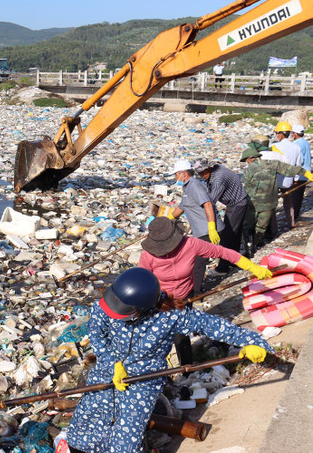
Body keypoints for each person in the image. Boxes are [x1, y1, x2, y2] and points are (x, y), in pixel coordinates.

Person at [65, 267, 271, 453]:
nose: (114, 314)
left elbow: (214, 325)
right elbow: (96, 331)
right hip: (107, 373)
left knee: (126, 438)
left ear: (141, 309)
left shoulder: (172, 316)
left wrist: (252, 341)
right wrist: (112, 362)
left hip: (143, 381)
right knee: (85, 426)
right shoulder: (111, 302)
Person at [139, 217, 271, 365]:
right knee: (158, 336)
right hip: (160, 300)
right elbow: (141, 280)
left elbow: (224, 253)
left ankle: (186, 369)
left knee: (180, 335)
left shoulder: (190, 244)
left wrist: (253, 267)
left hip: (184, 296)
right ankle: (159, 368)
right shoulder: (148, 254)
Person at [240, 144, 313, 256]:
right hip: (268, 203)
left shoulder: (247, 170)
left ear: (251, 158)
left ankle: (249, 248)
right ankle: (254, 243)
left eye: (246, 160)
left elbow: (243, 187)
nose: (247, 162)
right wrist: (305, 173)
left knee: (248, 225)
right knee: (261, 226)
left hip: (252, 203)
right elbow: (290, 169)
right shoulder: (272, 164)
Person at [168, 159, 224, 293]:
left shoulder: (194, 185)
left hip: (207, 231)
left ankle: (196, 294)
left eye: (176, 174)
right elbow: (182, 206)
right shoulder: (187, 186)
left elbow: (208, 204)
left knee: (198, 263)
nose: (175, 178)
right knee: (195, 261)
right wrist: (168, 219)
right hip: (201, 231)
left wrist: (211, 227)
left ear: (183, 174)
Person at [193, 159, 249, 271]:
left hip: (237, 203)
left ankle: (223, 267)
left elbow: (211, 201)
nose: (201, 175)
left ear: (209, 168)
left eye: (203, 172)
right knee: (234, 232)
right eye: (199, 173)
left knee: (228, 234)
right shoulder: (215, 171)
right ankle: (234, 261)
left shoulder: (218, 179)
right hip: (235, 202)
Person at [271, 121, 303, 229]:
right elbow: (298, 166)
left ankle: (273, 229)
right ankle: (291, 223)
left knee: (272, 206)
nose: (276, 135)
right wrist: (296, 179)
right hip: (288, 180)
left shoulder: (274, 146)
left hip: (274, 181)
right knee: (289, 203)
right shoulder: (296, 148)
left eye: (276, 133)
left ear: (280, 134)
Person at [290, 123, 311, 223]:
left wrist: (294, 177)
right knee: (299, 197)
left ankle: (293, 217)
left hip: (299, 174)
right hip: (306, 174)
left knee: (294, 197)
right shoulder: (305, 142)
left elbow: (297, 162)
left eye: (292, 133)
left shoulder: (296, 144)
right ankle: (295, 215)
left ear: (294, 134)